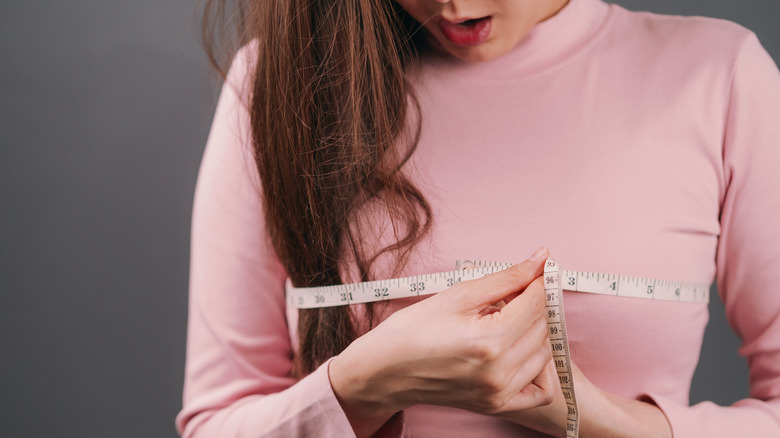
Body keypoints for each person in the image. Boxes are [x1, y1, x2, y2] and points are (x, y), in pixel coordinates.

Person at [176, 0, 780, 436]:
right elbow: (216, 423)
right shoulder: (278, 84)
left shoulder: (720, 76)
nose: (454, 6)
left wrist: (596, 418)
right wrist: (366, 382)